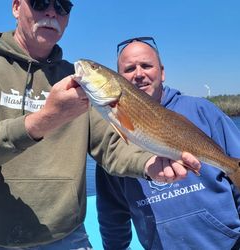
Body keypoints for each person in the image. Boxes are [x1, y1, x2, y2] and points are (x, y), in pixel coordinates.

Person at [0, 1, 201, 249]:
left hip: (70, 235)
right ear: (16, 7)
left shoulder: (79, 81)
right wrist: (43, 120)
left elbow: (111, 145)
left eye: (62, 6)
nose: (51, 12)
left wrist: (148, 164)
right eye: (40, 2)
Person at [96, 37, 240, 250]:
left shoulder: (203, 110)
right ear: (120, 79)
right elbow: (112, 209)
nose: (138, 74)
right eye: (129, 69)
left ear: (162, 72)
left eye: (146, 65)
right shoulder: (112, 132)